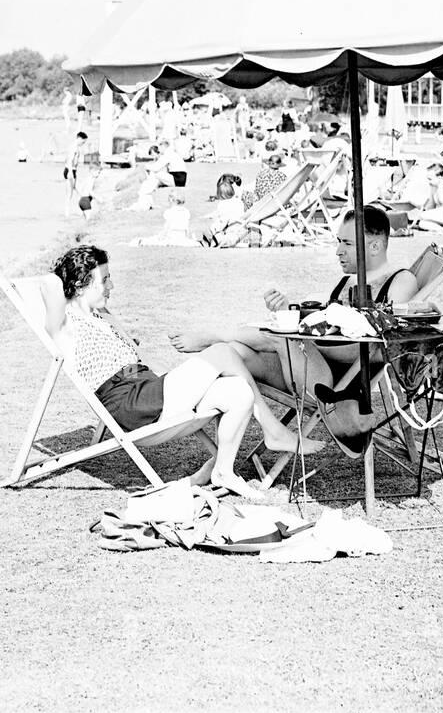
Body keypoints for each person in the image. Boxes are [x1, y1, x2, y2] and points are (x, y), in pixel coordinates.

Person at [51, 246, 324, 498]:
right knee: (221, 351)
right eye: (104, 279)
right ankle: (272, 429)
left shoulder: (101, 315)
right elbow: (50, 289)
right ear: (80, 284)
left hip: (147, 388)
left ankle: (223, 471)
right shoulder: (66, 324)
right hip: (133, 405)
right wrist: (64, 278)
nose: (112, 285)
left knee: (237, 391)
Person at [171, 207, 419, 454]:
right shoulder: (348, 282)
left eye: (347, 243)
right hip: (309, 366)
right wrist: (291, 309)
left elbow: (378, 345)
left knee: (283, 338)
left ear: (374, 247)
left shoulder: (400, 281)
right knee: (231, 352)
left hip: (337, 385)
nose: (338, 251)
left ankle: (216, 334)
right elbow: (327, 324)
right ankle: (265, 435)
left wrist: (303, 333)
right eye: (338, 242)